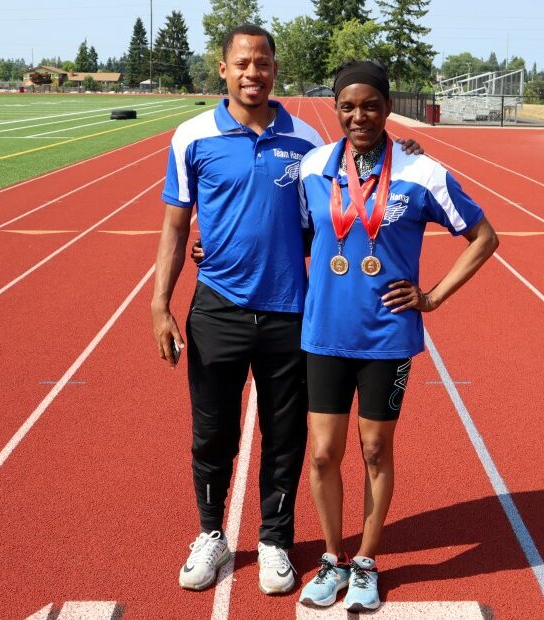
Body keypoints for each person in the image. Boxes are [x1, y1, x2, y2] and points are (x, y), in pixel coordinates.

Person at [151, 26, 422, 595]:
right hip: (217, 308)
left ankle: (275, 538)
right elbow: (176, 227)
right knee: (211, 434)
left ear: (275, 70)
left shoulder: (305, 141)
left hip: (290, 313)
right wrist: (160, 305)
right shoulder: (191, 136)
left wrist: (409, 149)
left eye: (263, 63)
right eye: (242, 63)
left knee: (285, 438)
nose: (253, 72)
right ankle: (210, 533)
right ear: (222, 69)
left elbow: (349, 187)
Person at [295, 61, 499, 612]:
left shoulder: (422, 171)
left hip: (387, 336)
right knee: (321, 455)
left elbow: (484, 237)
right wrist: (207, 250)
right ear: (335, 109)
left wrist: (431, 296)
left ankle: (365, 561)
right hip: (324, 335)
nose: (358, 115)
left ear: (387, 107)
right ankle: (332, 558)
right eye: (347, 106)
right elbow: (291, 237)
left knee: (375, 449)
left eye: (369, 105)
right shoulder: (313, 167)